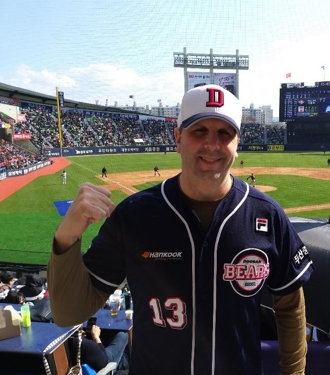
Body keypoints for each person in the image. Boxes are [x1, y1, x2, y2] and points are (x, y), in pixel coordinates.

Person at [47, 84, 314, 375]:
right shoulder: (135, 215)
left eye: (224, 133)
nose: (212, 144)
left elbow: (290, 306)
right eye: (199, 130)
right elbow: (67, 312)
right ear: (178, 137)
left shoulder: (267, 215)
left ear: (238, 141)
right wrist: (66, 237)